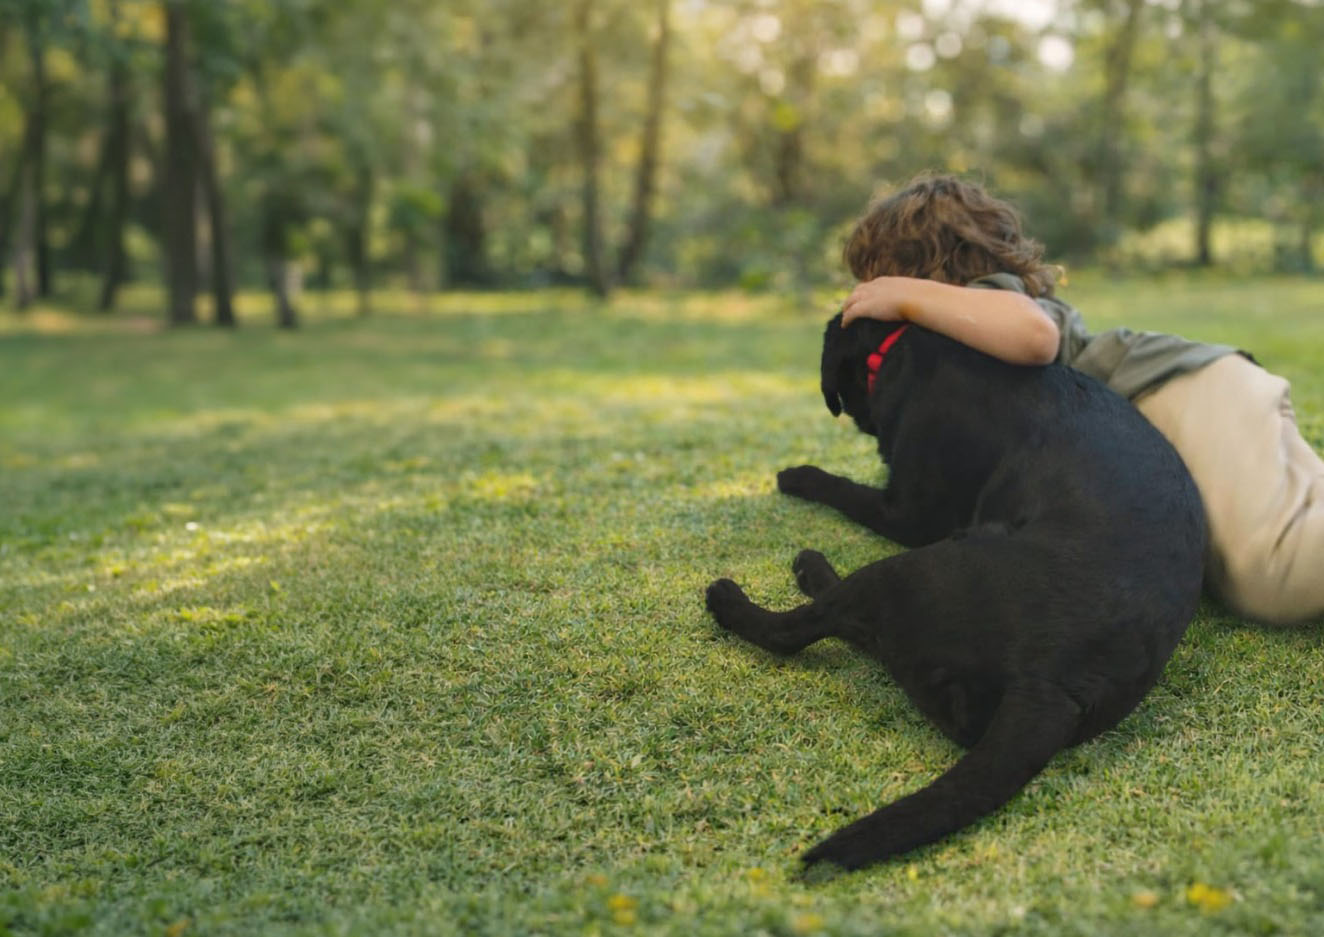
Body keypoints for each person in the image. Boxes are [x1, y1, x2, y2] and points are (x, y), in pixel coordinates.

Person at [837, 173, 1324, 626]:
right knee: (1295, 521)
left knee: (1266, 573)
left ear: (929, 274)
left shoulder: (996, 300)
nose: (869, 297)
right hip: (1200, 397)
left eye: (877, 280)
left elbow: (1034, 337)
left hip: (1182, 392)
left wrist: (903, 296)